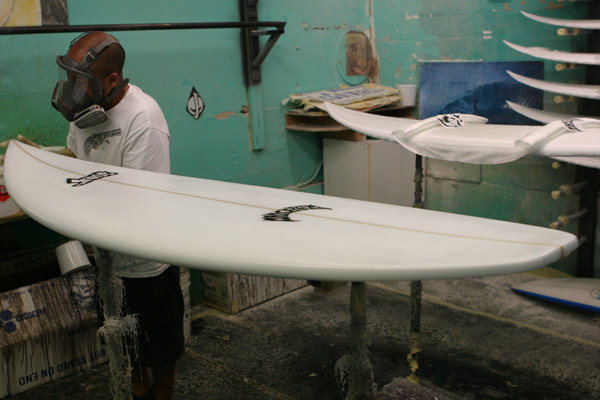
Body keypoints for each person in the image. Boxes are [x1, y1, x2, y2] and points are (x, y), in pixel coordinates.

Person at [52, 31, 184, 400]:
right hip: (108, 256)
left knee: (160, 346)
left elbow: (137, 200)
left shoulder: (143, 117)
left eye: (81, 81)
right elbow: (77, 165)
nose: (74, 89)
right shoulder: (85, 111)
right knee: (124, 340)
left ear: (111, 80)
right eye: (71, 78)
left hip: (146, 260)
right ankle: (139, 389)